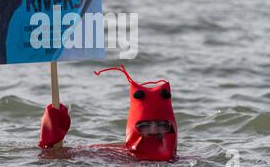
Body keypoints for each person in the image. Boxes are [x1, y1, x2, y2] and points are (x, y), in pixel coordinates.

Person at [38, 65, 178, 161]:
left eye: (161, 124)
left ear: (172, 128)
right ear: (132, 127)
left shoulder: (183, 162)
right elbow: (55, 157)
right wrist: (51, 138)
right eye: (144, 125)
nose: (153, 130)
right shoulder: (115, 154)